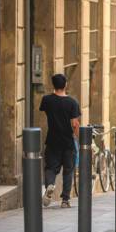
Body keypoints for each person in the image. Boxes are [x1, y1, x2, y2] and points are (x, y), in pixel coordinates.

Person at [40, 74, 81, 208]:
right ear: (65, 85)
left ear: (53, 85)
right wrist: (78, 138)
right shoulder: (72, 102)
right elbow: (75, 124)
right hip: (68, 141)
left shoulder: (47, 100)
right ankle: (65, 200)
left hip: (52, 140)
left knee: (51, 168)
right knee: (68, 171)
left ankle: (50, 185)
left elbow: (45, 111)